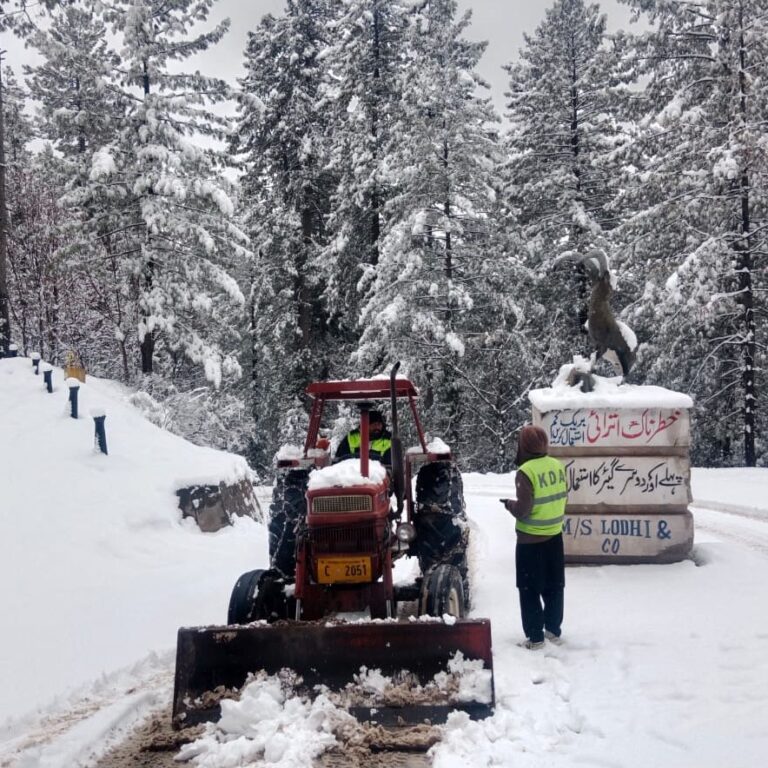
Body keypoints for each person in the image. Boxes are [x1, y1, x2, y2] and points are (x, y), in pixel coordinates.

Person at [501, 425, 567, 650]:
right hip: (555, 538)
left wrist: (510, 505)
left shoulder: (525, 472)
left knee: (529, 589)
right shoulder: (557, 466)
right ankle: (553, 631)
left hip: (530, 542)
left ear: (524, 446)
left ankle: (536, 637)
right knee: (554, 587)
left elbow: (524, 510)